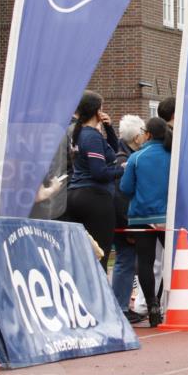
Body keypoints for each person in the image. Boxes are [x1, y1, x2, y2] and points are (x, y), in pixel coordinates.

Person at [120, 117, 172, 327]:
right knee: (170, 262)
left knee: (146, 262)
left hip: (141, 215)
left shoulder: (137, 157)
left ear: (148, 133)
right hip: (167, 217)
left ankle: (151, 303)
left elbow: (125, 188)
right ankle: (160, 302)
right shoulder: (173, 156)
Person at [66, 91, 122, 271]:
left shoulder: (79, 133)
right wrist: (122, 169)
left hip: (74, 194)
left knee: (79, 255)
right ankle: (98, 297)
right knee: (100, 255)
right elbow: (99, 172)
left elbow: (113, 149)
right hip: (95, 197)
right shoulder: (91, 136)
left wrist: (109, 128)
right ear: (97, 111)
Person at [111, 114, 147, 319]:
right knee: (125, 261)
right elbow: (122, 195)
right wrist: (128, 225)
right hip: (124, 219)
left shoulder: (125, 156)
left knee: (127, 261)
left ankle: (122, 304)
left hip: (123, 217)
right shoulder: (124, 160)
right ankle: (120, 307)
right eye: (142, 132)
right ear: (136, 137)